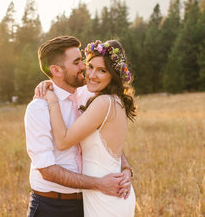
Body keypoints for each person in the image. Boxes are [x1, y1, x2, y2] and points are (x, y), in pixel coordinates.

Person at [24, 36, 133, 217]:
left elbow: (106, 141)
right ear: (56, 70)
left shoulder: (89, 95)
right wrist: (98, 183)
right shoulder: (39, 108)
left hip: (88, 202)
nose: (84, 67)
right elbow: (47, 170)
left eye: (83, 60)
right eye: (77, 62)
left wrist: (126, 169)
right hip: (51, 206)